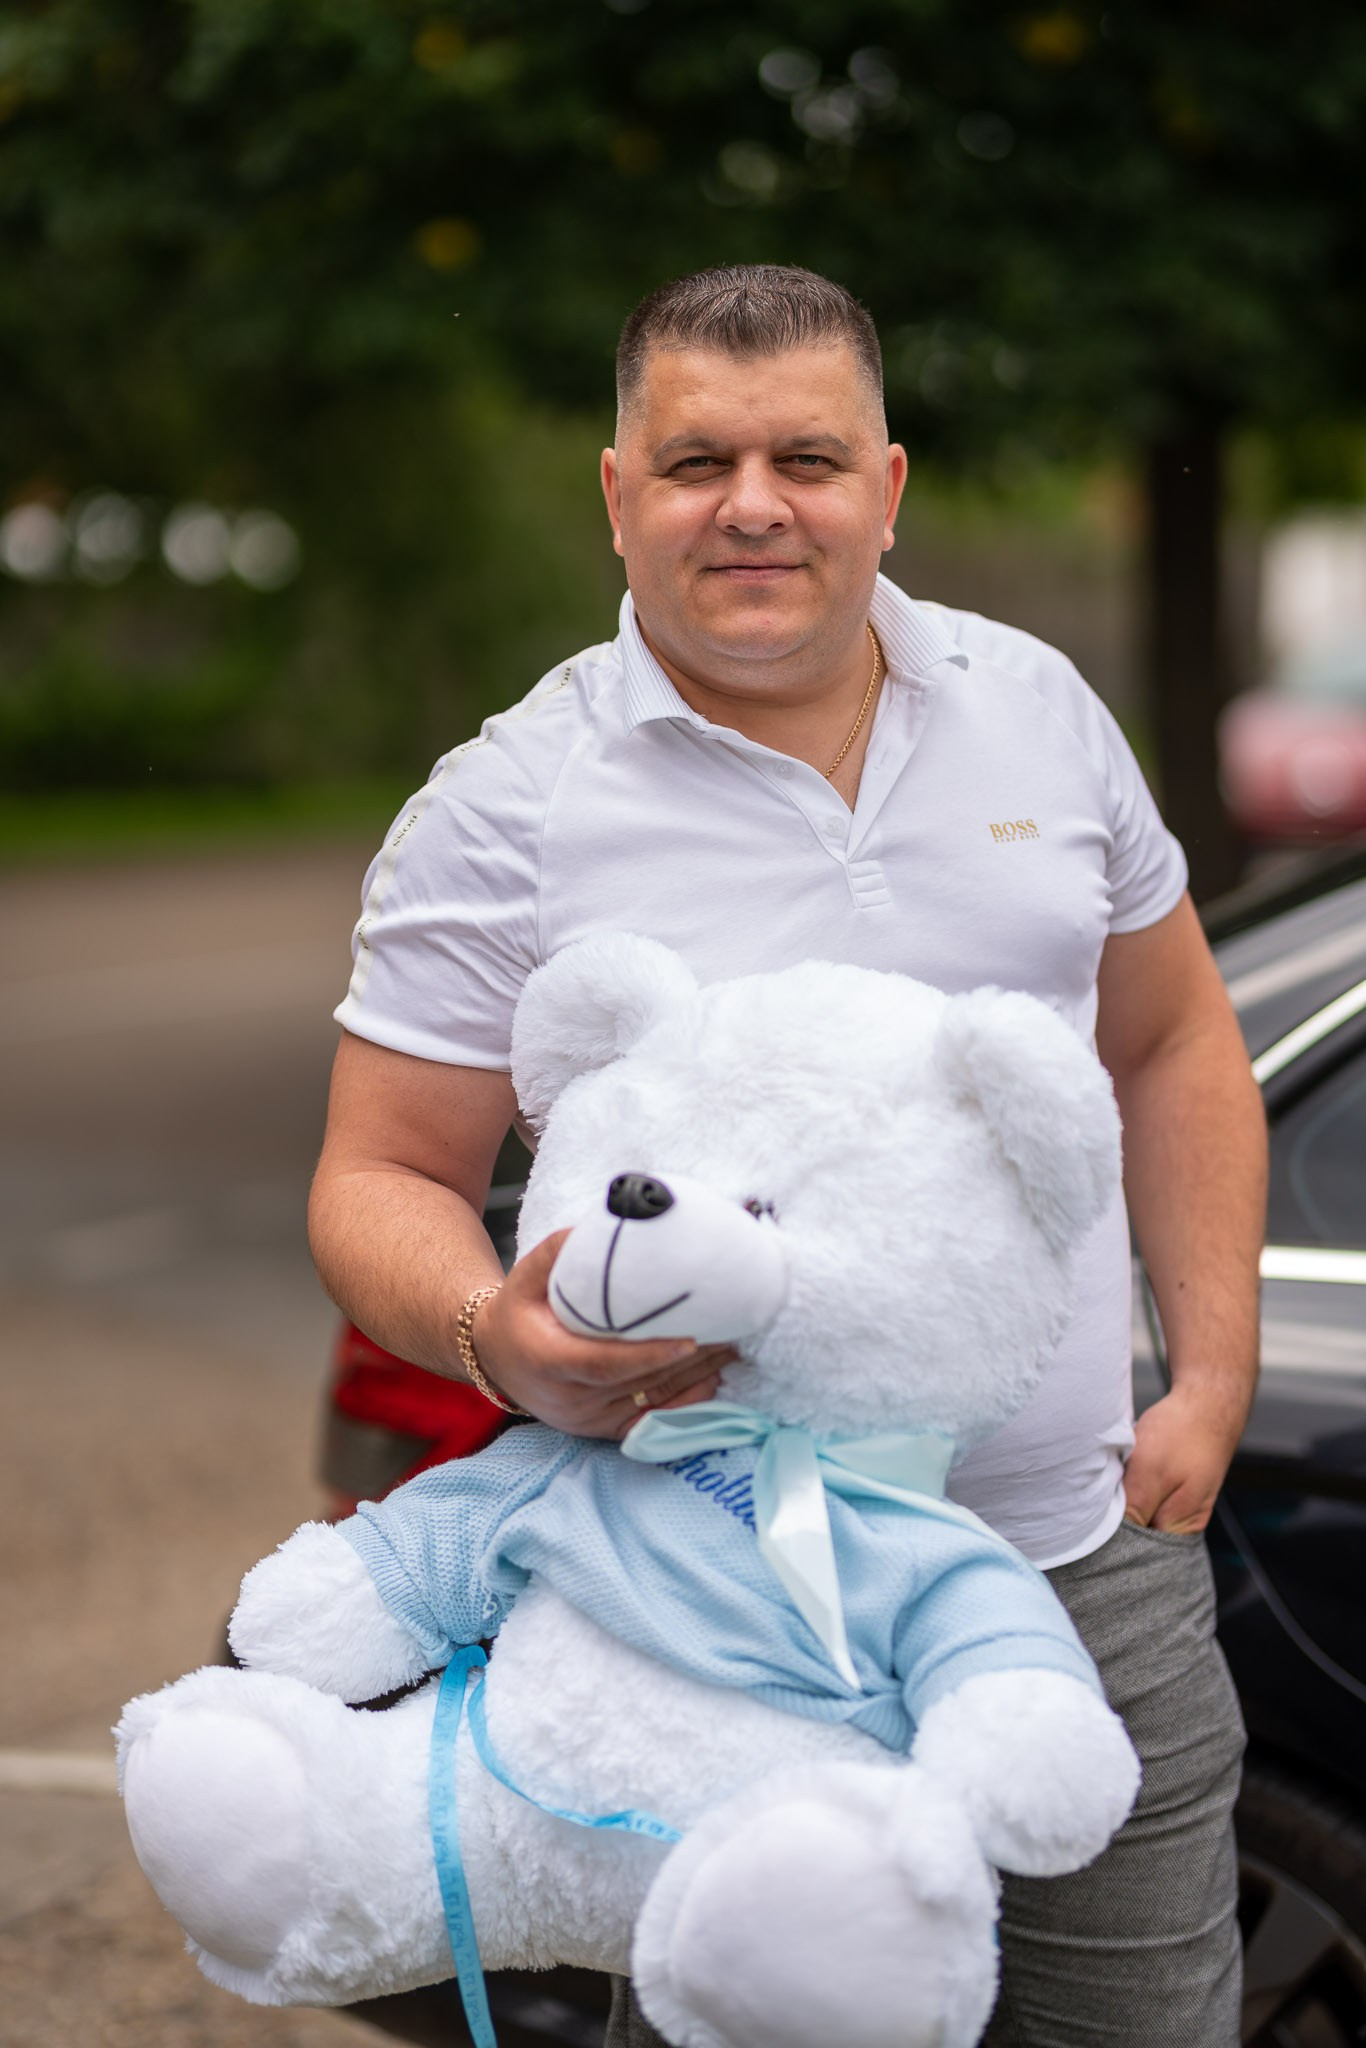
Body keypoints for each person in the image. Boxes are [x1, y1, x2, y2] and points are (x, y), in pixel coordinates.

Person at [311, 265, 1265, 2047]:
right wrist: (494, 1336)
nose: (752, 505)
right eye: (696, 463)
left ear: (885, 487)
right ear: (618, 495)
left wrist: (1208, 1374)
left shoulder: (1038, 708)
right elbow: (378, 1173)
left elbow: (1170, 1038)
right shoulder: (509, 800)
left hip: (1075, 1560)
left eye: (805, 459)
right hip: (700, 1605)